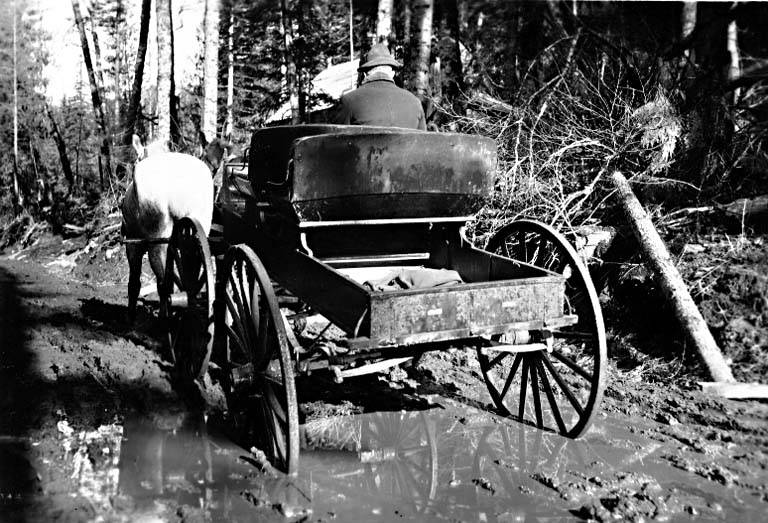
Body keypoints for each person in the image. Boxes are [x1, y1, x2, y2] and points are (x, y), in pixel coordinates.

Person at [334, 43, 426, 130]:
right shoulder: (415, 102)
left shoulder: (349, 101)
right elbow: (425, 143)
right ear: (392, 74)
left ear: (366, 74)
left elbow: (337, 141)